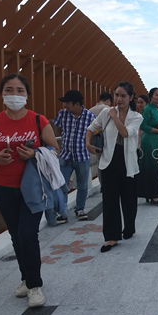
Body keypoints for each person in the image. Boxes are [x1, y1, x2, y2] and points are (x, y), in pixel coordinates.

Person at [0, 73, 60, 308]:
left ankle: (34, 285)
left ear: (27, 95)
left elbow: (55, 150)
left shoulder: (38, 121)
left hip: (33, 188)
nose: (14, 95)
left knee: (27, 235)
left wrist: (35, 153)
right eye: (9, 90)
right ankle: (26, 278)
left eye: (20, 90)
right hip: (4, 188)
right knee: (16, 236)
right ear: (2, 95)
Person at [86, 82, 143, 252]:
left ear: (131, 97)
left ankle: (129, 226)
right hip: (108, 160)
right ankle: (111, 236)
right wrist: (88, 143)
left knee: (129, 199)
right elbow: (92, 127)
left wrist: (115, 116)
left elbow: (125, 133)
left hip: (127, 161)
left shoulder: (136, 117)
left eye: (123, 95)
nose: (119, 99)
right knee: (110, 200)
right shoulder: (105, 113)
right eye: (117, 95)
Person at [53, 90, 96, 221]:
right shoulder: (62, 114)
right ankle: (62, 211)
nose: (65, 105)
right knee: (62, 184)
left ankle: (80, 209)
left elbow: (95, 132)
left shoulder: (90, 116)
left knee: (82, 185)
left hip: (82, 156)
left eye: (67, 103)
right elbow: (58, 128)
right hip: (65, 155)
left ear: (77, 104)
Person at [139, 88, 158, 204]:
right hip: (148, 141)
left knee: (155, 167)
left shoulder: (157, 109)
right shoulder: (148, 109)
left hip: (155, 141)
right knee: (152, 168)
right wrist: (157, 130)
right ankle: (153, 194)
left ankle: (152, 193)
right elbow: (142, 125)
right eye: (156, 95)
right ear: (151, 97)